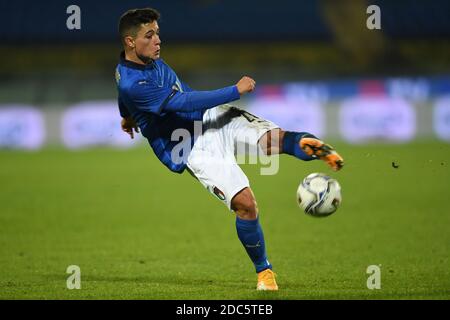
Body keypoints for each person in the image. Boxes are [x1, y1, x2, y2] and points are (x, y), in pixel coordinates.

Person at [115, 8, 344, 291]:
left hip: (209, 118)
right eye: (149, 36)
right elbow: (183, 103)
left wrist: (126, 116)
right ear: (130, 42)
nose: (157, 41)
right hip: (188, 147)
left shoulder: (134, 67)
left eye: (157, 34)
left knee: (272, 139)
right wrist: (234, 90)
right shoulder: (132, 83)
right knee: (246, 205)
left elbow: (123, 97)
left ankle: (312, 147)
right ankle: (265, 273)